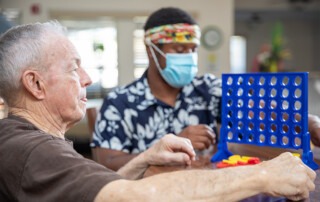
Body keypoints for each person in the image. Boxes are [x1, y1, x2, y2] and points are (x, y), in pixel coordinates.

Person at [0, 21, 316, 202]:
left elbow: (90, 186)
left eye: (192, 50)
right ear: (36, 84)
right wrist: (264, 173)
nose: (87, 78)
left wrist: (145, 158)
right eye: (73, 69)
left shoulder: (30, 142)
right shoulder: (32, 151)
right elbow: (134, 197)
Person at [91, 7, 320, 171]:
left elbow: (259, 111)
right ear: (151, 50)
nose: (188, 57)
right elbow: (106, 163)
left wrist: (310, 123)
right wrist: (167, 147)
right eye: (179, 50)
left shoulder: (208, 89)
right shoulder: (120, 102)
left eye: (192, 50)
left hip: (208, 189)